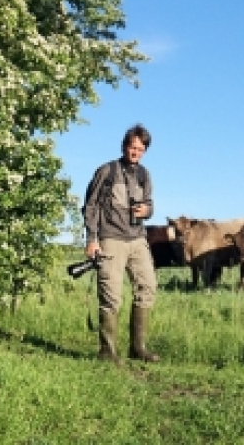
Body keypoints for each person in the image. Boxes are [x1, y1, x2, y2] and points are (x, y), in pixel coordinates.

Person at [82, 123, 159, 363]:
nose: (135, 152)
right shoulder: (107, 171)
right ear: (124, 146)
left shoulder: (145, 175)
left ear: (145, 150)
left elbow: (150, 205)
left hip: (137, 238)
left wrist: (147, 210)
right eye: (132, 146)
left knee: (148, 287)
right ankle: (107, 352)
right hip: (110, 238)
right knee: (111, 295)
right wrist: (92, 239)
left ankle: (138, 348)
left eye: (140, 148)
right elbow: (90, 206)